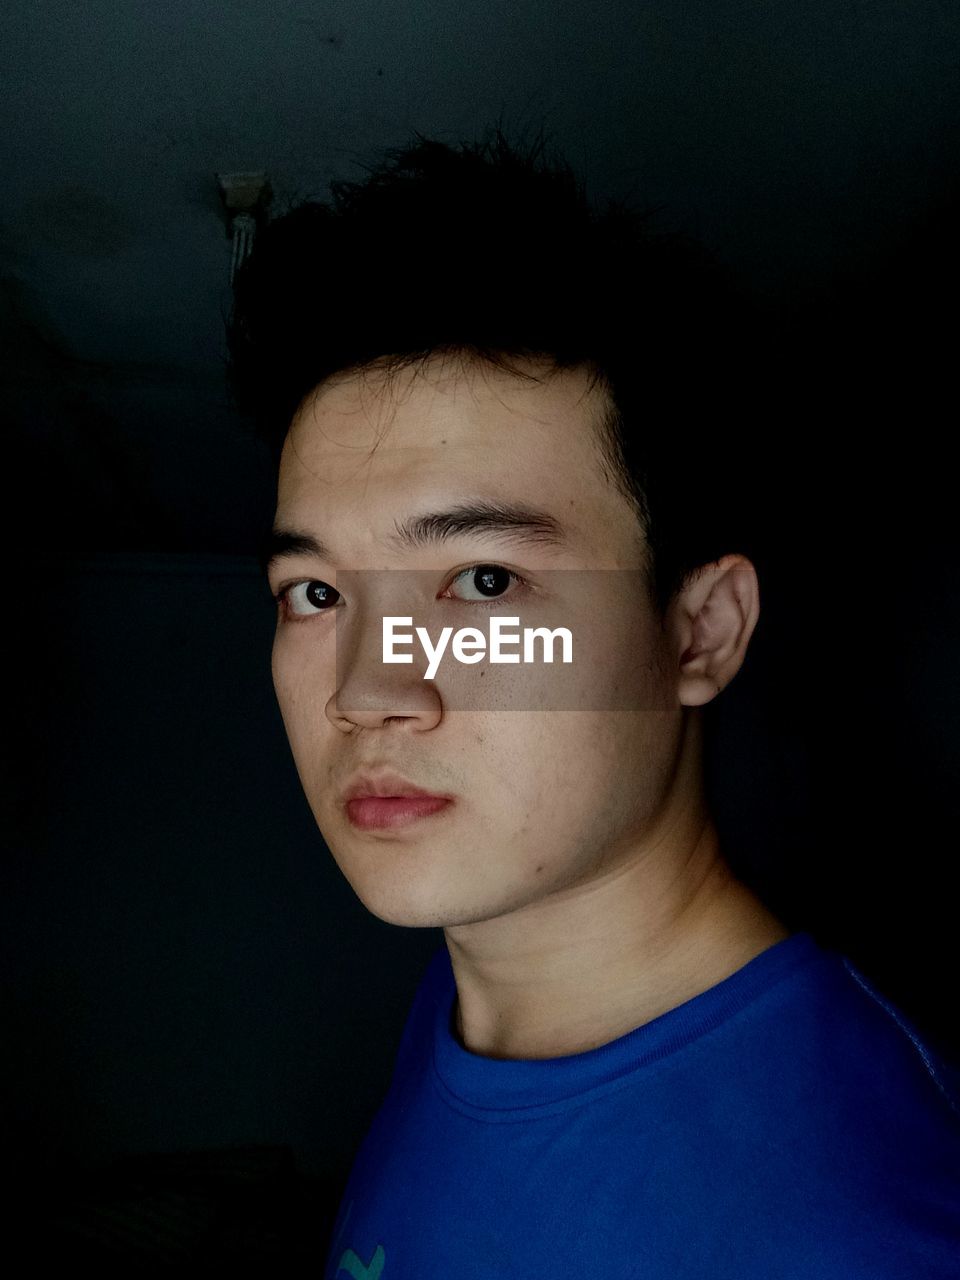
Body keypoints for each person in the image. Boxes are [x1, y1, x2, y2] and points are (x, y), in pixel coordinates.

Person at [226, 127, 960, 1278]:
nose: (368, 689)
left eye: (482, 581)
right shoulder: (477, 989)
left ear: (699, 630)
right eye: (315, 590)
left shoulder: (853, 1228)